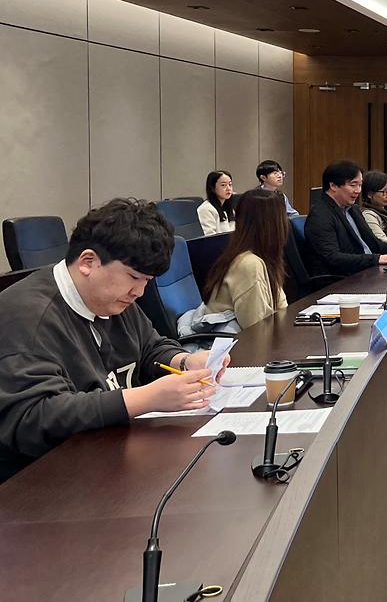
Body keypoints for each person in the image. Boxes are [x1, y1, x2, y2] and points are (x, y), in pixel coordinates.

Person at [0, 199, 228, 482]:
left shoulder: (112, 298)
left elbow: (149, 347)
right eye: (134, 277)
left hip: (108, 457)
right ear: (88, 262)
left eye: (147, 281)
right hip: (40, 480)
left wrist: (183, 361)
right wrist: (148, 398)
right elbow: (35, 418)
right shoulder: (26, 317)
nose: (139, 292)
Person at [193, 188, 290, 331]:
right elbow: (256, 330)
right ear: (273, 224)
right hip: (237, 343)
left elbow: (282, 309)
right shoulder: (249, 264)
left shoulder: (265, 258)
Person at [305, 160, 387, 275]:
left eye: (360, 185)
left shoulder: (353, 210)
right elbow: (333, 258)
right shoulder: (320, 216)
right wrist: (377, 259)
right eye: (353, 185)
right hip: (344, 279)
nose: (358, 191)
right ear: (333, 186)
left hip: (367, 270)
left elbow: (374, 243)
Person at [197, 170, 236, 236]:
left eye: (230, 184)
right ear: (212, 187)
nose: (228, 188)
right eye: (223, 185)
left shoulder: (229, 207)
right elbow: (210, 237)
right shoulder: (205, 209)